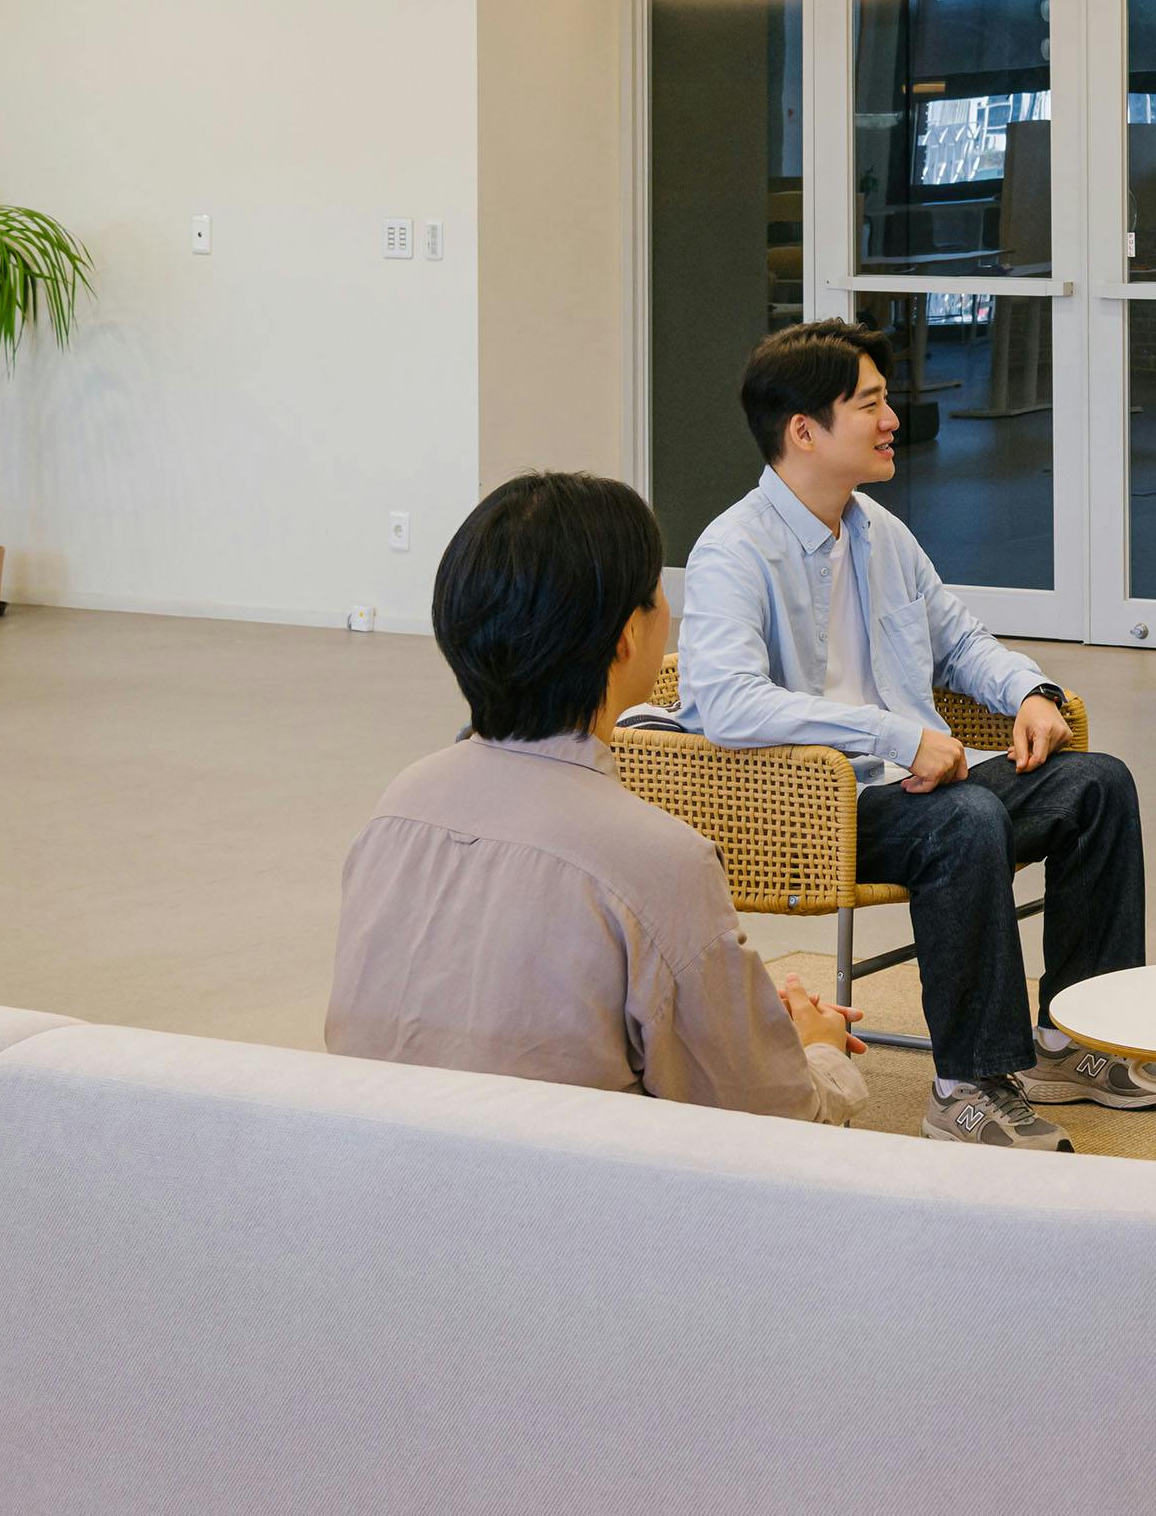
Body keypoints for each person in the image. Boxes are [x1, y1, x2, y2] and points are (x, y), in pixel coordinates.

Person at [678, 319, 1156, 1151]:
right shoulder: (734, 551)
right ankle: (966, 1087)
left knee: (1097, 784)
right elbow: (726, 703)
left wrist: (1030, 691)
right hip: (810, 806)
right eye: (869, 404)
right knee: (965, 821)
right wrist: (894, 735)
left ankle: (1069, 1042)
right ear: (803, 431)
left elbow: (959, 640)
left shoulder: (878, 531)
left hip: (918, 785)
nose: (892, 420)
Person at [330, 471, 871, 1126]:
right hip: (561, 1184)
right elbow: (773, 1118)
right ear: (625, 637)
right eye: (659, 594)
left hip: (373, 1169)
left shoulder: (398, 806)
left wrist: (742, 1019)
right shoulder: (658, 860)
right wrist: (818, 1049)